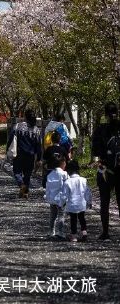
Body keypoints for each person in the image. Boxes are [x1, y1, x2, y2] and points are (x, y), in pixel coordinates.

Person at [91, 102, 120, 240]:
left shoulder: (101, 129)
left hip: (105, 169)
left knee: (105, 202)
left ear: (105, 113)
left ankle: (105, 232)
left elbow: (95, 150)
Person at [6, 109, 42, 198]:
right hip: (30, 155)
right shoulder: (36, 129)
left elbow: (11, 139)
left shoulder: (18, 126)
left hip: (19, 153)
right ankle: (25, 192)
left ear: (25, 116)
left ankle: (22, 186)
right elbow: (38, 145)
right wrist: (38, 158)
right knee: (27, 174)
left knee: (17, 172)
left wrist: (7, 150)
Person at [62, 160, 92, 242]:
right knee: (82, 218)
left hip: (72, 205)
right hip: (81, 203)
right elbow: (87, 192)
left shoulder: (67, 182)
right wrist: (89, 202)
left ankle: (74, 235)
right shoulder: (83, 180)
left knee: (73, 220)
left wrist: (62, 203)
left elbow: (65, 195)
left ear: (69, 170)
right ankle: (84, 232)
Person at [44, 153, 68, 238]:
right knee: (61, 215)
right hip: (61, 198)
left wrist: (47, 196)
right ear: (62, 163)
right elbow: (66, 186)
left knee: (53, 215)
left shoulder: (50, 174)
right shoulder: (64, 174)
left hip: (52, 198)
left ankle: (51, 231)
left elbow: (48, 187)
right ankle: (60, 231)